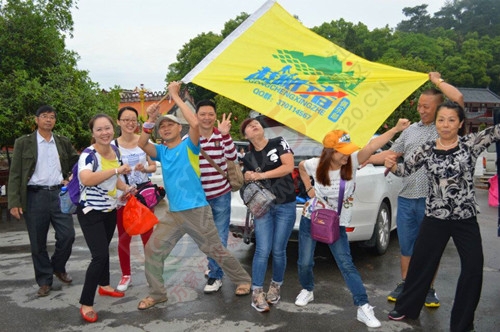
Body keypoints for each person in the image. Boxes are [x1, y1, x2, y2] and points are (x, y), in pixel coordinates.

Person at [136, 81, 251, 310]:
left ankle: (242, 280)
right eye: (162, 127)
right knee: (152, 250)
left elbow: (196, 123)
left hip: (197, 211)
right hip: (174, 213)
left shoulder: (190, 146)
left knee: (215, 250)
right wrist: (150, 120)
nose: (166, 128)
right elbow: (141, 143)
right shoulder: (162, 151)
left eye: (171, 124)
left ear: (181, 128)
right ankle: (158, 293)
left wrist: (175, 96)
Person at [385, 101, 497, 332]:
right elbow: (404, 170)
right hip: (435, 217)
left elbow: (497, 131)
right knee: (420, 265)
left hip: (465, 219)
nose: (445, 125)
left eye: (451, 120)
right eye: (441, 120)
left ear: (460, 123)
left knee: (473, 269)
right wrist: (392, 165)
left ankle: (463, 323)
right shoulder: (426, 148)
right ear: (436, 123)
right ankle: (407, 307)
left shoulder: (471, 143)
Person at [295, 119, 410, 328]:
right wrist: (309, 190)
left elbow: (372, 147)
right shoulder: (315, 164)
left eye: (348, 149)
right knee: (304, 262)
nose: (346, 154)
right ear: (330, 151)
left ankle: (363, 307)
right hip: (311, 218)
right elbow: (301, 167)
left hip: (336, 222)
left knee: (346, 264)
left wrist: (395, 129)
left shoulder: (353, 162)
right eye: (342, 151)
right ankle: (307, 289)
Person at [366, 72, 464, 307]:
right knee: (407, 245)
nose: (421, 110)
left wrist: (437, 82)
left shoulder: (444, 128)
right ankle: (406, 284)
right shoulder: (410, 131)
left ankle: (429, 289)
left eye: (426, 106)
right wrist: (367, 159)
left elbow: (458, 97)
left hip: (434, 200)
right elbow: (392, 154)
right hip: (407, 197)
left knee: (430, 248)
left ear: (439, 108)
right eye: (419, 106)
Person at [8, 105, 79, 297]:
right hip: (34, 196)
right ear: (36, 119)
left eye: (52, 117)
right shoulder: (24, 142)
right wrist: (14, 202)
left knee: (68, 235)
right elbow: (15, 174)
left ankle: (57, 266)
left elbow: (77, 162)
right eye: (44, 116)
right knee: (37, 242)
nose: (48, 120)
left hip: (58, 195)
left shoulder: (62, 142)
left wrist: (72, 176)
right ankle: (44, 280)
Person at [77, 114, 133, 323]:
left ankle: (105, 285)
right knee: (99, 255)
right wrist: (116, 169)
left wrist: (126, 187)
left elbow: (115, 179)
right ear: (92, 133)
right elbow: (86, 178)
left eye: (107, 128)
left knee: (104, 250)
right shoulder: (88, 155)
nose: (104, 132)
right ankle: (86, 303)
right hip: (90, 210)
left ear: (113, 129)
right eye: (99, 129)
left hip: (110, 209)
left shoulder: (115, 150)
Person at [239, 117, 296, 313]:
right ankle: (257, 291)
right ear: (245, 135)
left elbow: (288, 166)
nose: (254, 125)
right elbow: (246, 182)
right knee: (262, 249)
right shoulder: (247, 157)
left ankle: (276, 285)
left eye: (256, 123)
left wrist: (260, 175)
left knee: (279, 250)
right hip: (263, 207)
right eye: (248, 126)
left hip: (286, 204)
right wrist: (247, 177)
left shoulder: (279, 142)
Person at [193, 99, 238, 293]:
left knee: (219, 237)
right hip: (200, 198)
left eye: (211, 114)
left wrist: (226, 135)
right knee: (206, 238)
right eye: (203, 114)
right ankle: (214, 264)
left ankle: (215, 276)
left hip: (221, 194)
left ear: (215, 116)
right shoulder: (192, 139)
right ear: (196, 116)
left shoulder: (222, 136)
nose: (207, 117)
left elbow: (233, 158)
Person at [112, 106, 157, 292]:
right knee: (124, 237)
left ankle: (152, 275)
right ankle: (126, 275)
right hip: (124, 197)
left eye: (133, 120)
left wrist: (144, 169)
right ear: (118, 122)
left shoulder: (143, 141)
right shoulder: (112, 146)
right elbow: (109, 173)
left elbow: (153, 166)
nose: (130, 123)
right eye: (126, 119)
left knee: (148, 237)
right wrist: (123, 188)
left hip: (144, 195)